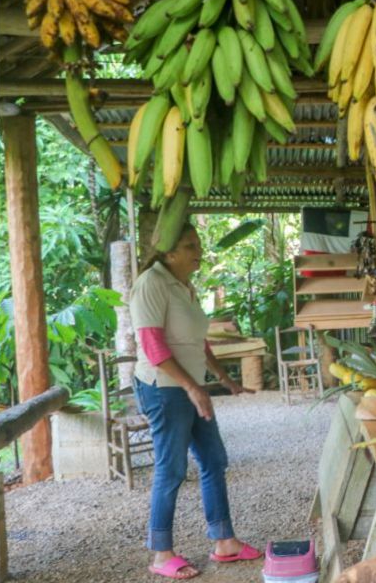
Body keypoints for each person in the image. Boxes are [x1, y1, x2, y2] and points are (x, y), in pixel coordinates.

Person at [129, 222, 260, 580]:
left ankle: (224, 541)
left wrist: (223, 378)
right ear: (169, 252)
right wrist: (192, 388)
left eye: (198, 244)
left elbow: (197, 342)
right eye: (190, 246)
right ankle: (160, 553)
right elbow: (155, 348)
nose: (198, 251)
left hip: (188, 387)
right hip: (163, 389)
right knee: (171, 469)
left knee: (214, 459)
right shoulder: (151, 285)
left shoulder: (185, 286)